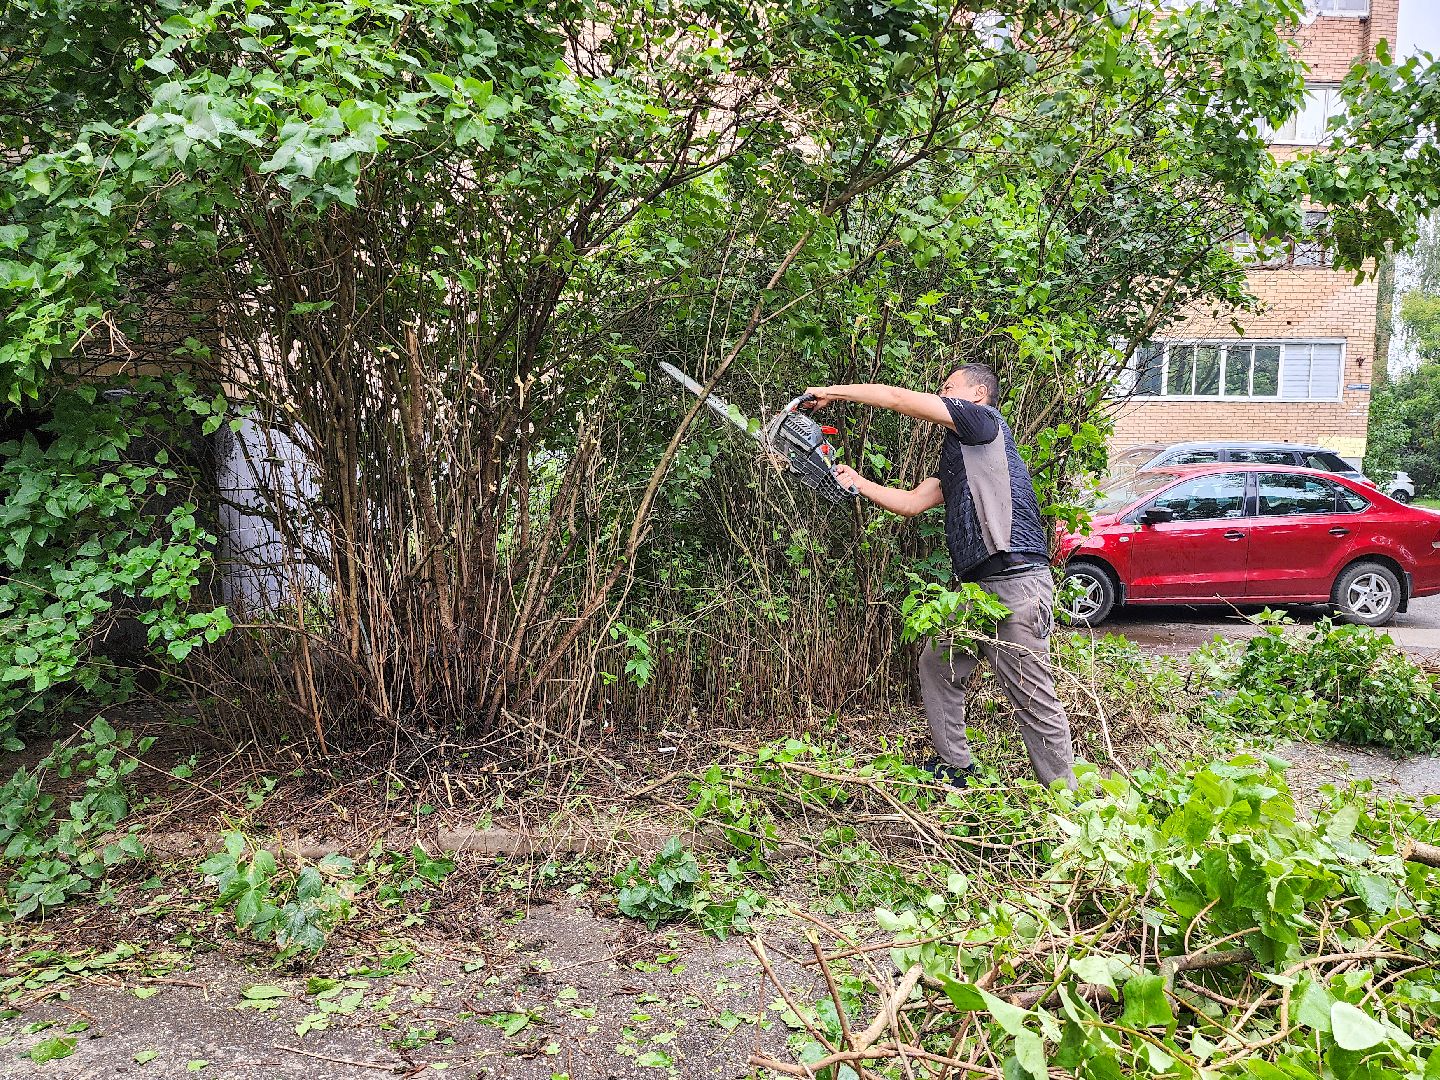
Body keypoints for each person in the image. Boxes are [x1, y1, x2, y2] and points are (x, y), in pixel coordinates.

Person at [804, 364, 1076, 789]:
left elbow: (897, 399)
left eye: (949, 387)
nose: (941, 392)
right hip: (980, 593)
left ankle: (1067, 804)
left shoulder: (983, 423)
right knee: (938, 661)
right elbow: (912, 503)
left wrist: (833, 391)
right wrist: (855, 480)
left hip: (1018, 583)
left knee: (1031, 697)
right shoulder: (961, 457)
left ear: (979, 394)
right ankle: (957, 766)